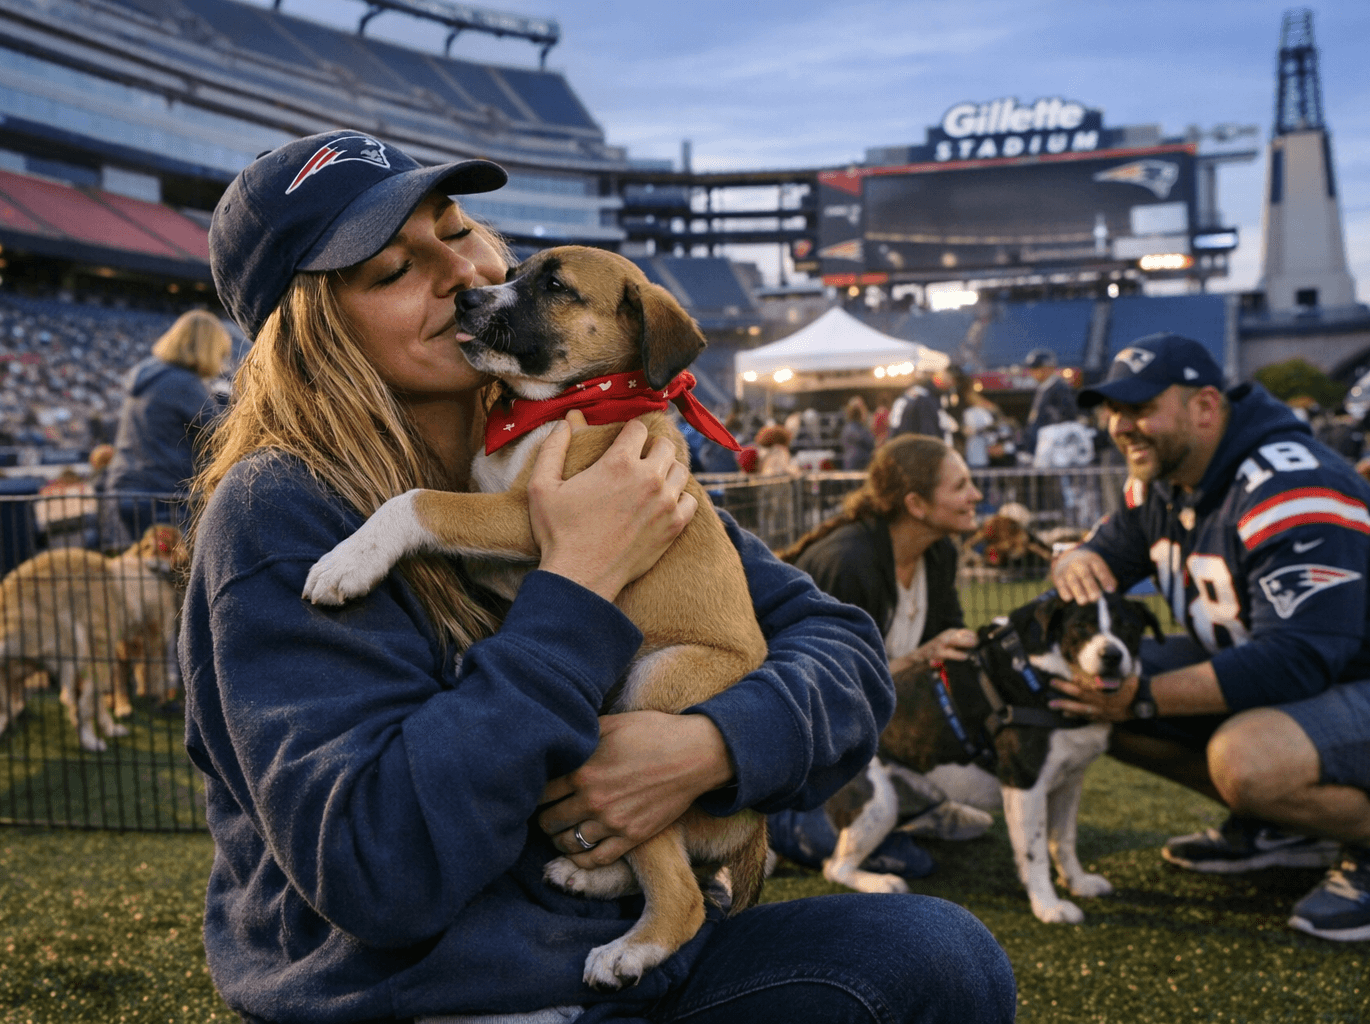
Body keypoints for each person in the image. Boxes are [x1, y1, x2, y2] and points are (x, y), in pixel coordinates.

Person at [186, 130, 1016, 1024]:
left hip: (610, 948)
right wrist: (577, 582)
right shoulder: (278, 510)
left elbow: (842, 649)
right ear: (316, 337)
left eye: (458, 231)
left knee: (942, 954)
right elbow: (378, 871)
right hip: (438, 989)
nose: (461, 274)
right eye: (392, 272)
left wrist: (708, 748)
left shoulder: (594, 443)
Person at [1049, 331, 1370, 943]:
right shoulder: (1162, 482)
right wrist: (1073, 559)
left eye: (1140, 408)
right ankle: (1287, 827)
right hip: (1303, 683)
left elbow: (1300, 659)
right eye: (1114, 410)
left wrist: (1144, 697)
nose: (1120, 426)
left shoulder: (1291, 487)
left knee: (1244, 757)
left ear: (1204, 407)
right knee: (1085, 685)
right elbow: (1101, 558)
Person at [775, 433, 1000, 849]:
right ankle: (789, 824)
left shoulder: (940, 553)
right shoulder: (847, 563)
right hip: (809, 736)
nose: (976, 495)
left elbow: (946, 645)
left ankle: (912, 801)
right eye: (960, 486)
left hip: (881, 725)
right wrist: (921, 657)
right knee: (894, 857)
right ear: (916, 505)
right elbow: (827, 692)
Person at [102, 309, 231, 549]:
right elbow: (224, 433)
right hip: (163, 496)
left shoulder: (149, 375)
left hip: (126, 489)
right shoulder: (184, 383)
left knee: (141, 565)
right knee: (175, 566)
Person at [1019, 347, 1080, 456]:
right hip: (1040, 447)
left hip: (1053, 450)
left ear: (1048, 368)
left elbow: (1066, 418)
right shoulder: (1044, 387)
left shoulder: (1059, 388)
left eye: (1036, 368)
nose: (1032, 372)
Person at [888, 369, 942, 440]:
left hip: (908, 439)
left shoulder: (903, 400)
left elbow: (894, 425)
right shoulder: (929, 398)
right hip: (920, 440)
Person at [839, 395, 875, 471]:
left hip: (852, 466)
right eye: (863, 408)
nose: (865, 410)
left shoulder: (849, 428)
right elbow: (870, 443)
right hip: (857, 468)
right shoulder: (855, 429)